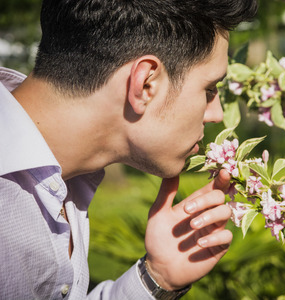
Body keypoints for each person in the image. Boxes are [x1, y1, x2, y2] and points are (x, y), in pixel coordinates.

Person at [0, 0, 258, 299]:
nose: (217, 114)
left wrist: (156, 278)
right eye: (209, 90)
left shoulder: (63, 177)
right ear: (145, 84)